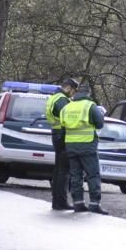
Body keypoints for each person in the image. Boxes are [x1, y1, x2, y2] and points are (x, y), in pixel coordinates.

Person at [60, 90, 108, 214]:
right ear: (87, 96)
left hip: (71, 146)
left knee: (75, 176)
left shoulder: (67, 107)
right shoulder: (90, 106)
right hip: (87, 146)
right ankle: (94, 204)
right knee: (93, 175)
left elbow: (62, 125)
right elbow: (99, 124)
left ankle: (78, 203)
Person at [46, 78, 78, 210]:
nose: (73, 94)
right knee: (64, 171)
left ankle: (57, 201)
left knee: (59, 170)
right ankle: (61, 201)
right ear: (69, 88)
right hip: (63, 135)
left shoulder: (55, 97)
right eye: (74, 91)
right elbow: (68, 117)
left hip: (57, 134)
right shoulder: (61, 100)